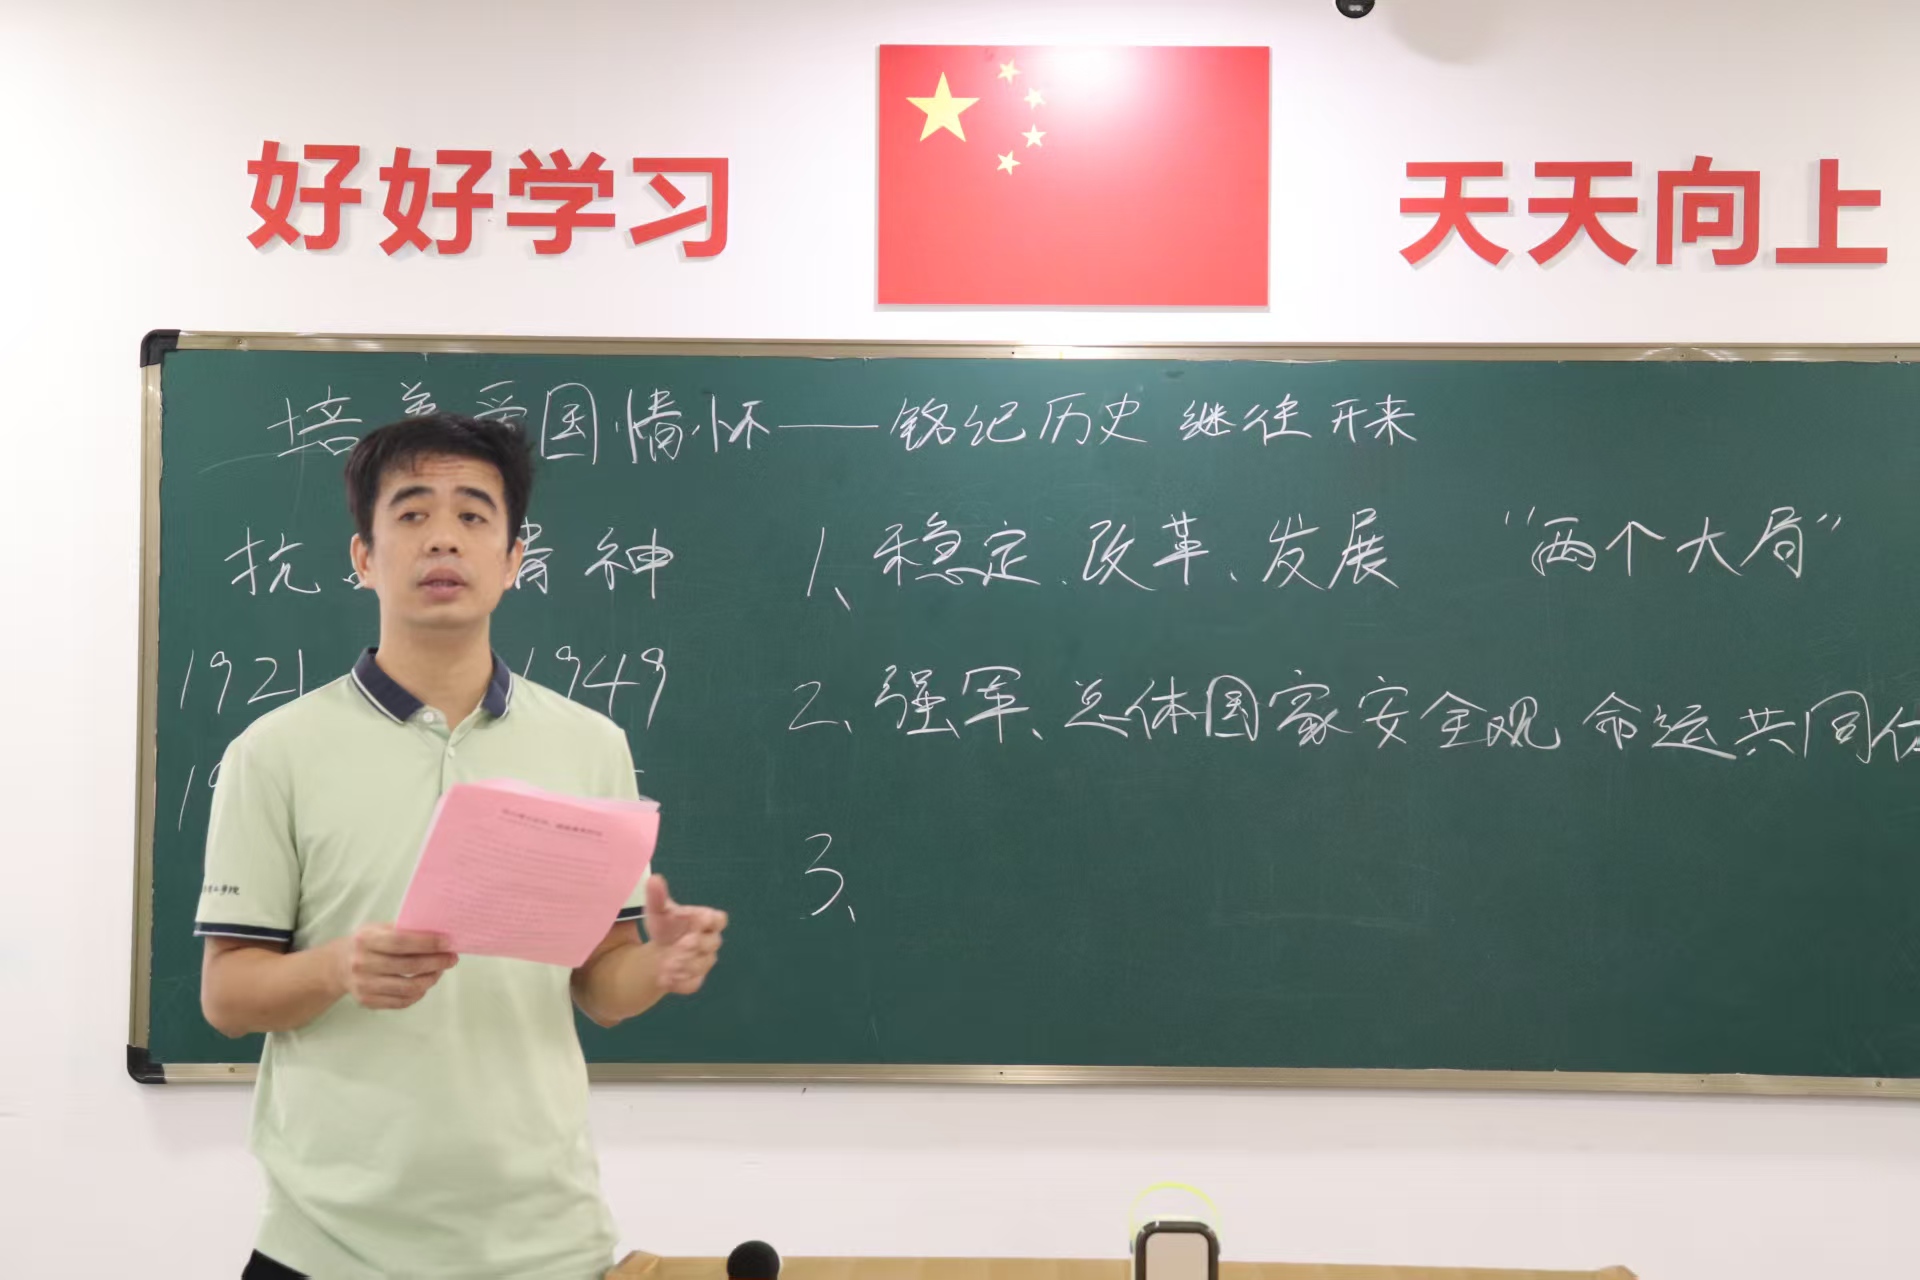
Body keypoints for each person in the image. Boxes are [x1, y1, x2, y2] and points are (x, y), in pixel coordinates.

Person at [196, 414, 727, 1280]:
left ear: (515, 559)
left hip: (543, 1242)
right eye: (411, 513)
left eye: (474, 515)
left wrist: (657, 967)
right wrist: (339, 968)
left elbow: (600, 982)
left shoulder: (589, 744)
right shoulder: (275, 750)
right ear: (364, 556)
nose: (443, 536)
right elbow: (227, 995)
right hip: (328, 1246)